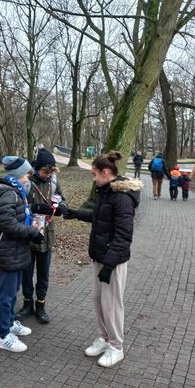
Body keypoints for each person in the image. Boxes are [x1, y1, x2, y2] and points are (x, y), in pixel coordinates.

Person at [63, 151, 142, 368]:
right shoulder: (106, 192)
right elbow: (100, 218)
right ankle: (105, 338)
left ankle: (116, 347)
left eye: (94, 174)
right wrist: (75, 213)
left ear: (106, 172)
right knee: (98, 300)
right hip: (100, 256)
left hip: (112, 261)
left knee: (112, 303)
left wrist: (109, 264)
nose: (94, 178)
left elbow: (123, 235)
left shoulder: (122, 198)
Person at [0, 156, 45, 352]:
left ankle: (11, 322)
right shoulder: (8, 195)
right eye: (26, 175)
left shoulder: (16, 192)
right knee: (6, 295)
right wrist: (32, 233)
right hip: (9, 252)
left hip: (18, 250)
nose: (29, 178)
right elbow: (9, 225)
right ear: (17, 176)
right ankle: (4, 335)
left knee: (13, 292)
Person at [17, 148, 67, 324]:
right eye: (45, 171)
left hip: (47, 235)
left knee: (43, 273)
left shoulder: (53, 181)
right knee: (27, 272)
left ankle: (41, 305)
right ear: (37, 168)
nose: (47, 175)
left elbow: (62, 198)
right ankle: (27, 303)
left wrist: (61, 207)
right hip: (29, 235)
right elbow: (19, 205)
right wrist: (36, 208)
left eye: (50, 172)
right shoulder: (27, 181)